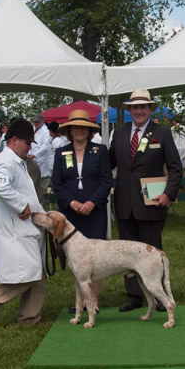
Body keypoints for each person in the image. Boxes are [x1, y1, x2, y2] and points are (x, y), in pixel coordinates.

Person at [109, 89, 183, 312]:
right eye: (134, 107)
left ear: (151, 109)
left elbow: (175, 168)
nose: (139, 111)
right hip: (124, 203)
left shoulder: (162, 132)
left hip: (152, 202)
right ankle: (133, 296)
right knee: (126, 253)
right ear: (129, 110)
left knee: (152, 251)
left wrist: (168, 194)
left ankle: (158, 295)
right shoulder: (119, 134)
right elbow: (108, 163)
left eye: (143, 107)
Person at [0, 118, 48, 329]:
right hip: (15, 230)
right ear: (15, 140)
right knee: (27, 274)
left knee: (39, 276)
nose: (29, 148)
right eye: (27, 143)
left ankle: (30, 318)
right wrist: (21, 206)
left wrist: (45, 218)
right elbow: (0, 188)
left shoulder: (17, 161)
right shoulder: (5, 162)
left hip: (29, 228)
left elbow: (27, 193)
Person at [51, 110, 112, 313]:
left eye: (83, 127)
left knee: (96, 257)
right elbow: (57, 184)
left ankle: (92, 301)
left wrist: (92, 202)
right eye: (75, 127)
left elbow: (106, 181)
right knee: (76, 257)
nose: (79, 130)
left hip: (95, 212)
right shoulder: (61, 153)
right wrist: (72, 203)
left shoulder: (100, 150)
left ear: (89, 130)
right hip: (71, 214)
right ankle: (80, 300)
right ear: (69, 130)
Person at [29, 114, 52, 194]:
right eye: (35, 122)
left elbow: (45, 146)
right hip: (33, 158)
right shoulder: (34, 130)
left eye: (37, 122)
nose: (36, 124)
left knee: (41, 180)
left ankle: (41, 197)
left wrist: (35, 154)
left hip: (41, 159)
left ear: (42, 121)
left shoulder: (46, 131)